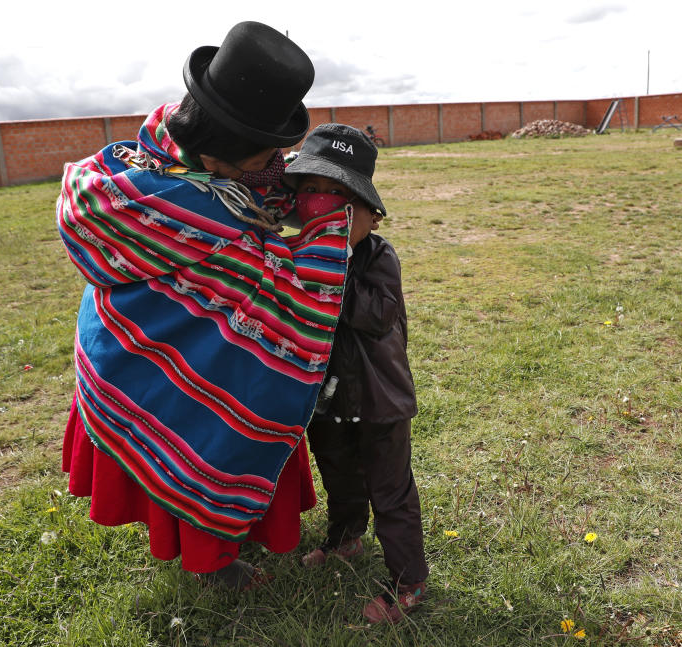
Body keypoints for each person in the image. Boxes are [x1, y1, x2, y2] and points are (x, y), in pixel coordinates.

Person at [56, 22, 352, 591]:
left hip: (123, 355)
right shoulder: (209, 218)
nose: (277, 165)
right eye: (269, 154)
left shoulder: (143, 161)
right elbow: (290, 294)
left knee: (191, 425)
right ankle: (213, 559)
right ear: (222, 156)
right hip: (169, 368)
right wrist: (327, 222)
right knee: (214, 432)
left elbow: (255, 192)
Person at [283, 124, 429, 624]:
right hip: (326, 397)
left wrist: (334, 264)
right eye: (310, 191)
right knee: (340, 476)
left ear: (369, 213)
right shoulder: (293, 256)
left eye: (339, 198)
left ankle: (409, 582)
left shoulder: (377, 256)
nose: (322, 204)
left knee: (390, 493)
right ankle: (345, 536)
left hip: (379, 401)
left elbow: (377, 316)